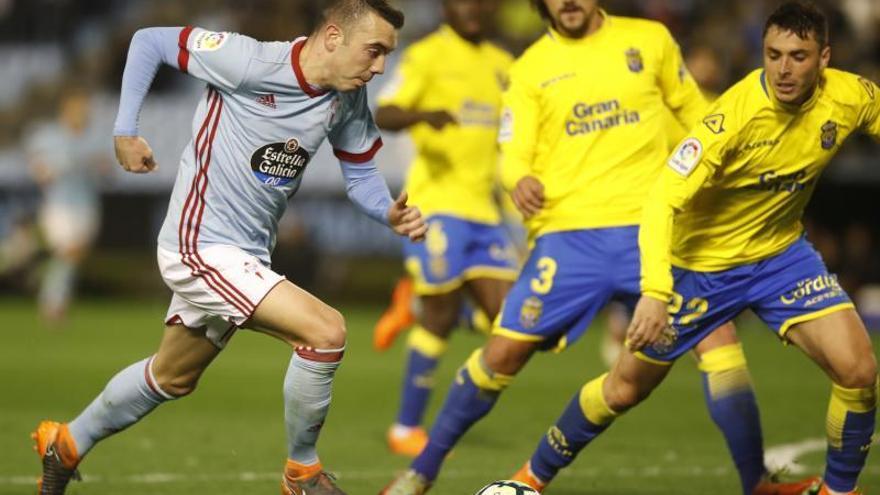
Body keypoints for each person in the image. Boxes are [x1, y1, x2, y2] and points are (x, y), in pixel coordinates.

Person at [381, 1, 820, 494]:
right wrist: (519, 177)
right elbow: (513, 150)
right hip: (570, 239)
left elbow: (695, 112)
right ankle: (421, 472)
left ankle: (755, 484)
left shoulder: (649, 40)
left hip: (651, 234)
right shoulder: (528, 70)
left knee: (719, 347)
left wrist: (738, 155)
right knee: (502, 354)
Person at [30, 2, 426, 495]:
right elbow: (149, 41)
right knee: (326, 332)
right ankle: (302, 475)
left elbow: (362, 173)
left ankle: (65, 442)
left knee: (171, 377)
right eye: (374, 51)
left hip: (246, 255)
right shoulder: (249, 61)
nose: (380, 67)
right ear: (331, 37)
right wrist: (125, 131)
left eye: (387, 54)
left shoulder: (345, 98)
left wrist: (387, 211)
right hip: (198, 244)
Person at [510, 2, 879, 494]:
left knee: (859, 371)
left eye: (798, 56)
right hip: (699, 268)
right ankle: (531, 477)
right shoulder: (730, 119)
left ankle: (840, 491)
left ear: (825, 58)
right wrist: (656, 292)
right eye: (772, 55)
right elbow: (662, 199)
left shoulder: (852, 96)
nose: (784, 69)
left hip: (781, 259)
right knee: (625, 387)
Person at [372, 0, 518, 457]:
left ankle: (415, 303)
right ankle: (404, 429)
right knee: (439, 318)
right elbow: (385, 112)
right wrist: (423, 115)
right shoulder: (427, 54)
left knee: (512, 322)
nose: (474, 9)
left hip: (485, 210)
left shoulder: (504, 64)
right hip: (435, 206)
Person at [26, 87, 108, 325]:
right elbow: (39, 172)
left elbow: (107, 172)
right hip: (59, 206)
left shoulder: (94, 138)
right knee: (70, 251)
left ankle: (49, 287)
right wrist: (55, 168)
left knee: (73, 255)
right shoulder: (48, 136)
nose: (83, 114)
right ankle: (53, 303)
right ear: (66, 111)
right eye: (78, 109)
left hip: (87, 205)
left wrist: (98, 166)